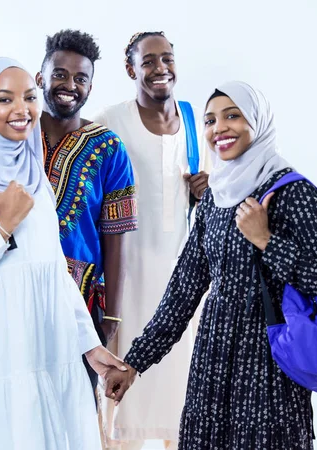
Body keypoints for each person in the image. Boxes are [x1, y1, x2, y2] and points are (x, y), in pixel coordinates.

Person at [105, 81, 317, 449]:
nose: (219, 128)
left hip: (270, 366)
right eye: (209, 120)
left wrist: (265, 240)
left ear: (257, 121)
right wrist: (134, 363)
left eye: (232, 116)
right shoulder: (216, 199)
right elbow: (183, 293)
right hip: (213, 361)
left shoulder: (292, 191)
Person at [0, 57, 126, 450]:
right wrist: (3, 228)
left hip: (49, 350)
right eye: (4, 99)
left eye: (29, 98)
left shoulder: (34, 176)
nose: (22, 110)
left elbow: (52, 270)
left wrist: (89, 343)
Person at [92, 31, 211, 450]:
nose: (161, 68)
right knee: (122, 408)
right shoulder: (111, 120)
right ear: (131, 70)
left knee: (181, 404)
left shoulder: (197, 123)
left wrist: (202, 193)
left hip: (181, 289)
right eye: (148, 61)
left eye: (168, 58)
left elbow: (218, 197)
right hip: (127, 283)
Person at [36, 30, 138, 394]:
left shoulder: (109, 148)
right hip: (14, 292)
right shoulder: (17, 136)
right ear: (40, 78)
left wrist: (111, 315)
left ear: (91, 88)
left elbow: (116, 238)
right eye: (60, 74)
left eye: (81, 78)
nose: (69, 85)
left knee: (72, 405)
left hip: (81, 303)